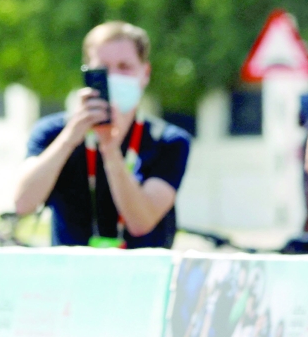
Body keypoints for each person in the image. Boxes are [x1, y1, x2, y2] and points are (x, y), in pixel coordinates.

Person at [13, 21, 192, 248]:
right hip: (71, 277)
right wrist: (71, 136)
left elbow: (141, 222)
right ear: (88, 72)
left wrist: (109, 147)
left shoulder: (168, 141)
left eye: (124, 67)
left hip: (141, 276)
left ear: (144, 73)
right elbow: (22, 203)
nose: (113, 77)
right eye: (103, 69)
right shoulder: (53, 133)